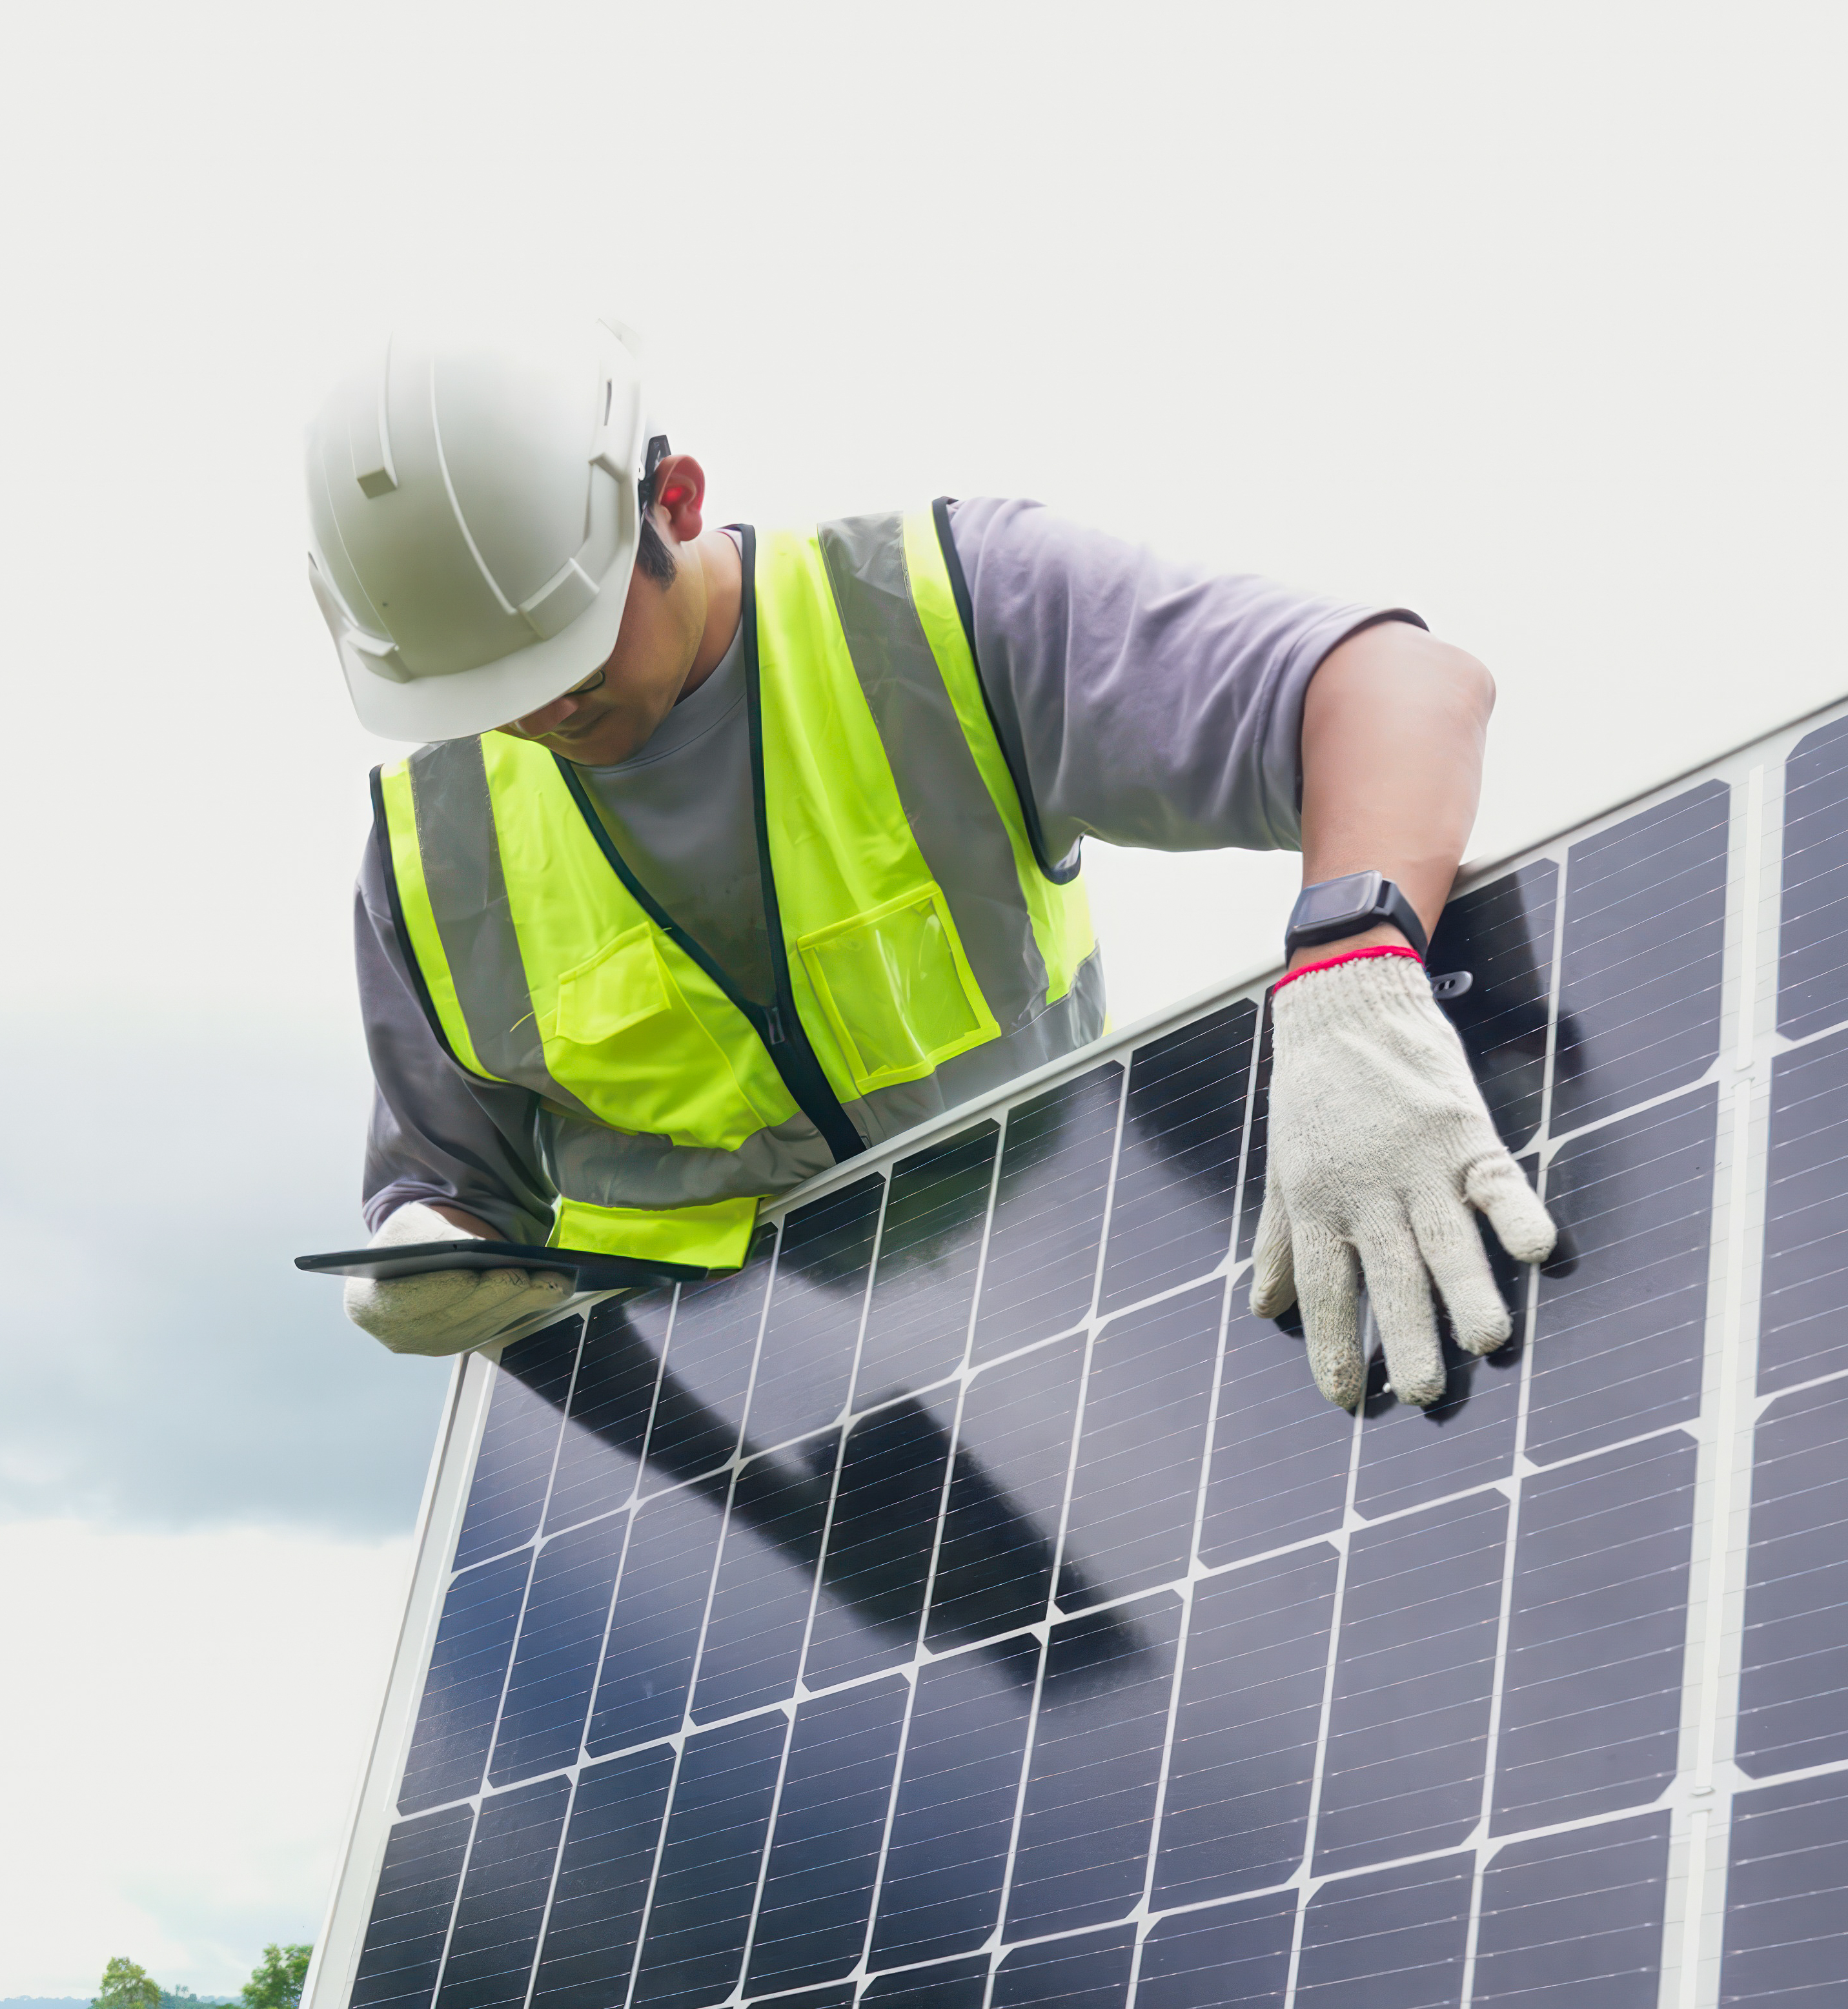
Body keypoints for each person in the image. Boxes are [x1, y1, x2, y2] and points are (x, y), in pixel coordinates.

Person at [307, 325, 1550, 1411]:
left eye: (565, 645)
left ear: (674, 501)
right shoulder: (431, 844)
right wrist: (425, 1253)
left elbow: (1401, 688)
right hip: (718, 1519)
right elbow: (450, 1184)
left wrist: (1354, 975)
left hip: (1079, 1364)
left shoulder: (940, 612)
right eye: (490, 689)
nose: (541, 710)